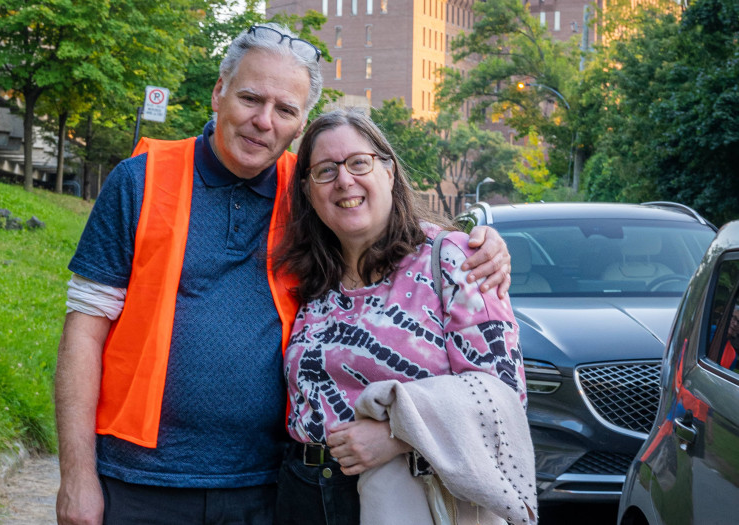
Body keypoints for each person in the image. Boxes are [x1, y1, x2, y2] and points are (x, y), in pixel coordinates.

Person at [55, 24, 512, 525]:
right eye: (251, 98)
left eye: (285, 110)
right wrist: (77, 477)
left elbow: (374, 217)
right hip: (140, 482)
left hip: (267, 487)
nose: (262, 121)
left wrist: (474, 244)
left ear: (300, 123)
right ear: (219, 91)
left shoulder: (309, 194)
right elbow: (83, 333)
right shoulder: (138, 182)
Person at [273, 109, 536, 525]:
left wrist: (398, 438)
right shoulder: (309, 276)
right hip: (304, 495)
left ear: (390, 172)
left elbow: (503, 396)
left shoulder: (452, 259)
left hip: (409, 495)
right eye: (325, 171)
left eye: (359, 163)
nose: (344, 180)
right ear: (307, 190)